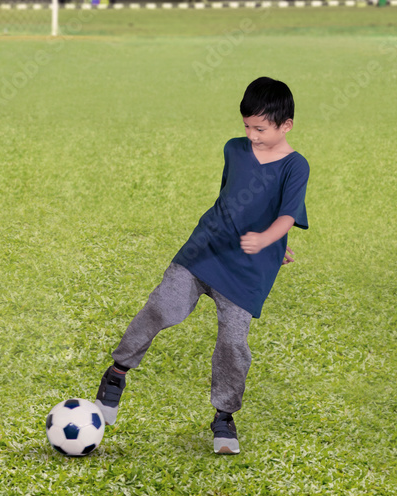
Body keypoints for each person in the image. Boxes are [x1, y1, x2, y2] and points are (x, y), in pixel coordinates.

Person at [94, 77, 309, 455]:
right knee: (164, 307)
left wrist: (271, 240)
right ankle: (116, 374)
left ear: (286, 125)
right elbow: (231, 195)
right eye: (246, 126)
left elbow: (287, 214)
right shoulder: (234, 149)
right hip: (204, 251)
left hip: (248, 271)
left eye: (260, 128)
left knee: (233, 343)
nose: (251, 135)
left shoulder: (296, 166)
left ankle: (224, 417)